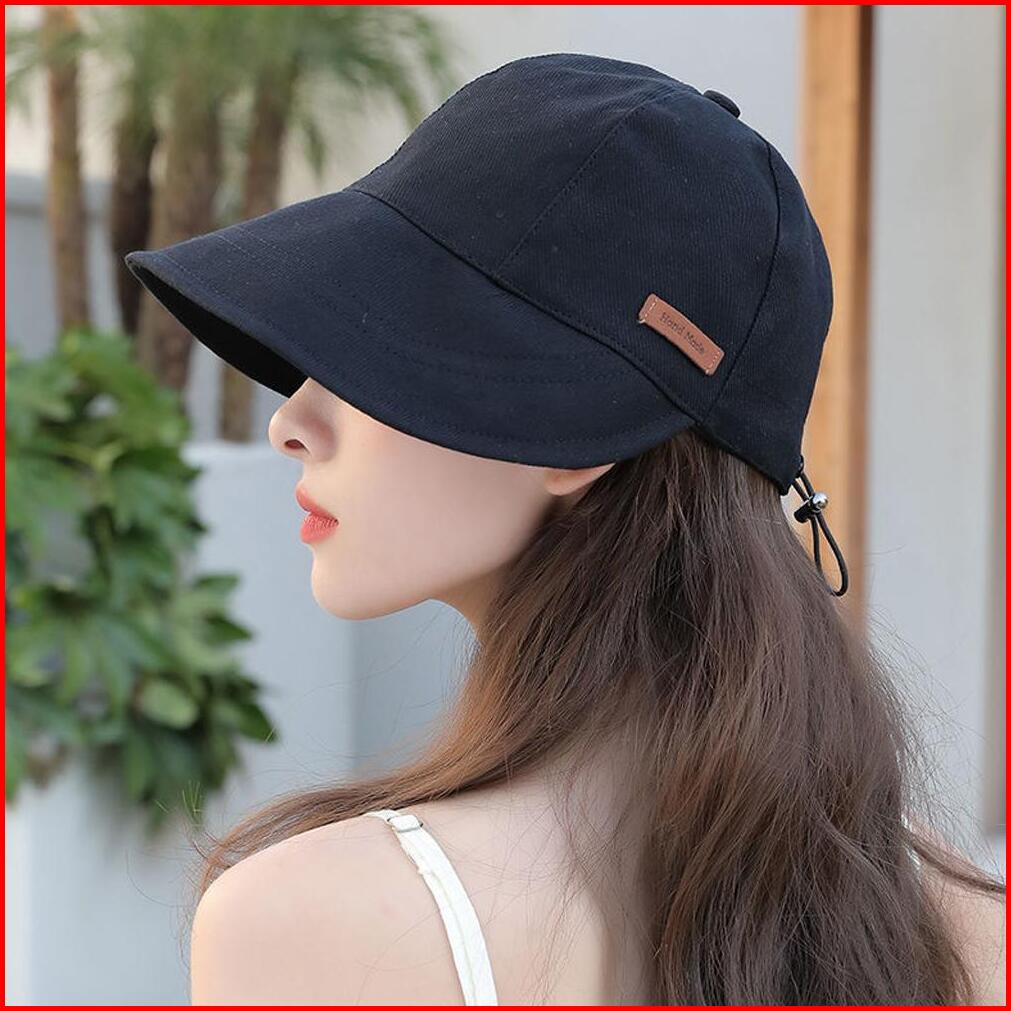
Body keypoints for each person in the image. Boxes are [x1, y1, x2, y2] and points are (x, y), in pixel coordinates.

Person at [125, 53, 1005, 1005]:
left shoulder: (309, 924)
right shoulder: (961, 926)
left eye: (367, 349)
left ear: (575, 421)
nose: (292, 422)